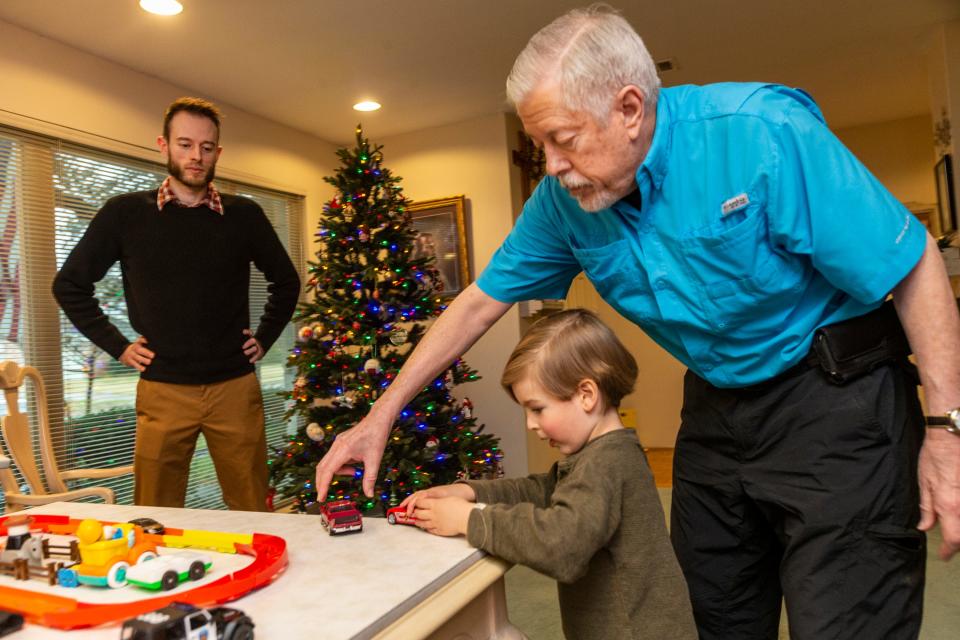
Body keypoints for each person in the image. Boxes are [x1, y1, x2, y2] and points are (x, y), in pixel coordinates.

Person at [316, 5, 960, 638]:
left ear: (629, 109)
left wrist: (946, 433)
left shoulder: (759, 129)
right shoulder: (562, 204)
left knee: (845, 617)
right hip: (718, 405)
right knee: (712, 614)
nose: (551, 167)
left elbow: (913, 263)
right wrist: (381, 414)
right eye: (539, 145)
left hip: (836, 397)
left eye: (563, 141)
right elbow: (480, 302)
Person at [53, 97, 300, 512]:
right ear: (163, 145)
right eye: (185, 144)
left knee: (253, 506)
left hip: (235, 389)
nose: (196, 156)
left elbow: (286, 281)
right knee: (154, 511)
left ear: (218, 153)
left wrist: (265, 337)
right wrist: (119, 347)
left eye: (206, 147)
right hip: (162, 389)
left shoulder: (245, 215)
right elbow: (70, 285)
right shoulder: (125, 215)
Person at [404, 309, 697, 640]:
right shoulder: (603, 453)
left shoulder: (606, 464)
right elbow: (544, 489)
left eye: (538, 408)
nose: (530, 424)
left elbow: (561, 546)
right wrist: (472, 493)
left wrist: (469, 519)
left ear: (586, 395)